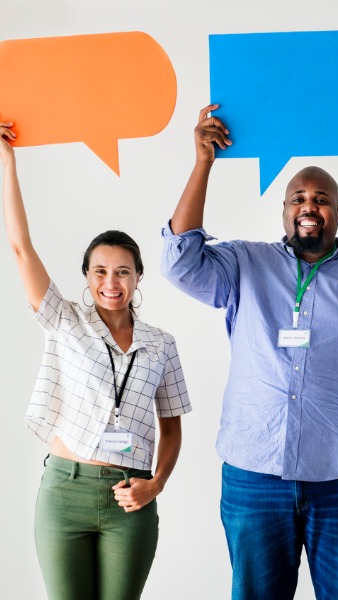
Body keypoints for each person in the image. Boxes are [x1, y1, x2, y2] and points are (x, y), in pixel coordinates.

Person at [160, 105, 338, 600]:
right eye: (298, 197)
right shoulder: (244, 264)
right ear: (283, 210)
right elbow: (179, 262)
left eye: (322, 199)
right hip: (254, 478)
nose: (309, 206)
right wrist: (203, 163)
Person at [0, 120, 191, 600]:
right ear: (86, 276)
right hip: (65, 492)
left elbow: (171, 427)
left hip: (131, 497)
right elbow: (22, 248)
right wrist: (8, 165)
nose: (112, 282)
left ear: (138, 277)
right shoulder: (64, 322)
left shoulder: (161, 343)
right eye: (100, 271)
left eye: (123, 271)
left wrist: (156, 485)